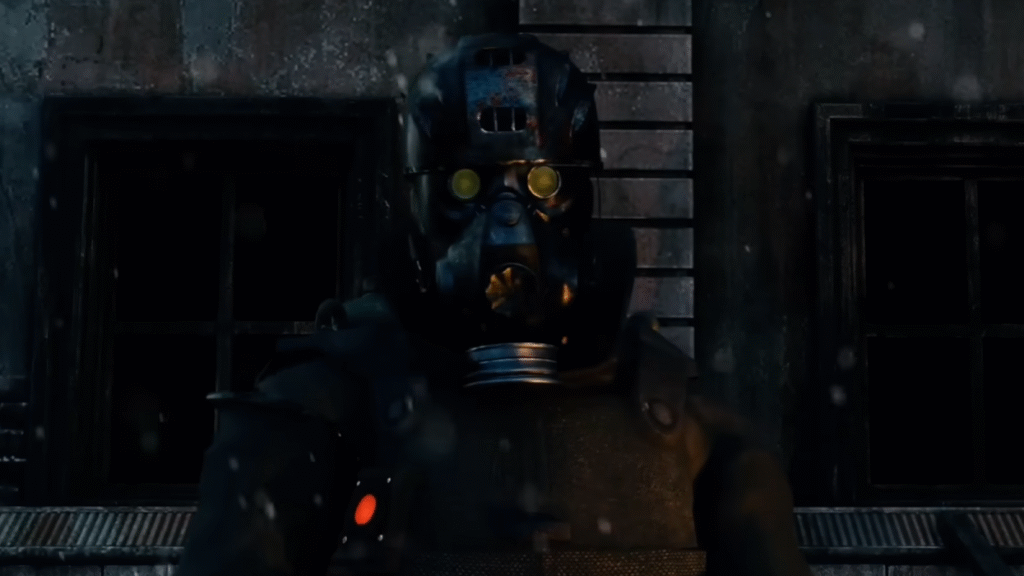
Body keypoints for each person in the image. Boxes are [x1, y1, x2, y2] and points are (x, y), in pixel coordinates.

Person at [175, 33, 813, 576]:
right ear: (421, 201)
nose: (509, 222)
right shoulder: (319, 414)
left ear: (581, 194)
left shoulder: (697, 439)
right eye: (466, 185)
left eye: (542, 182)